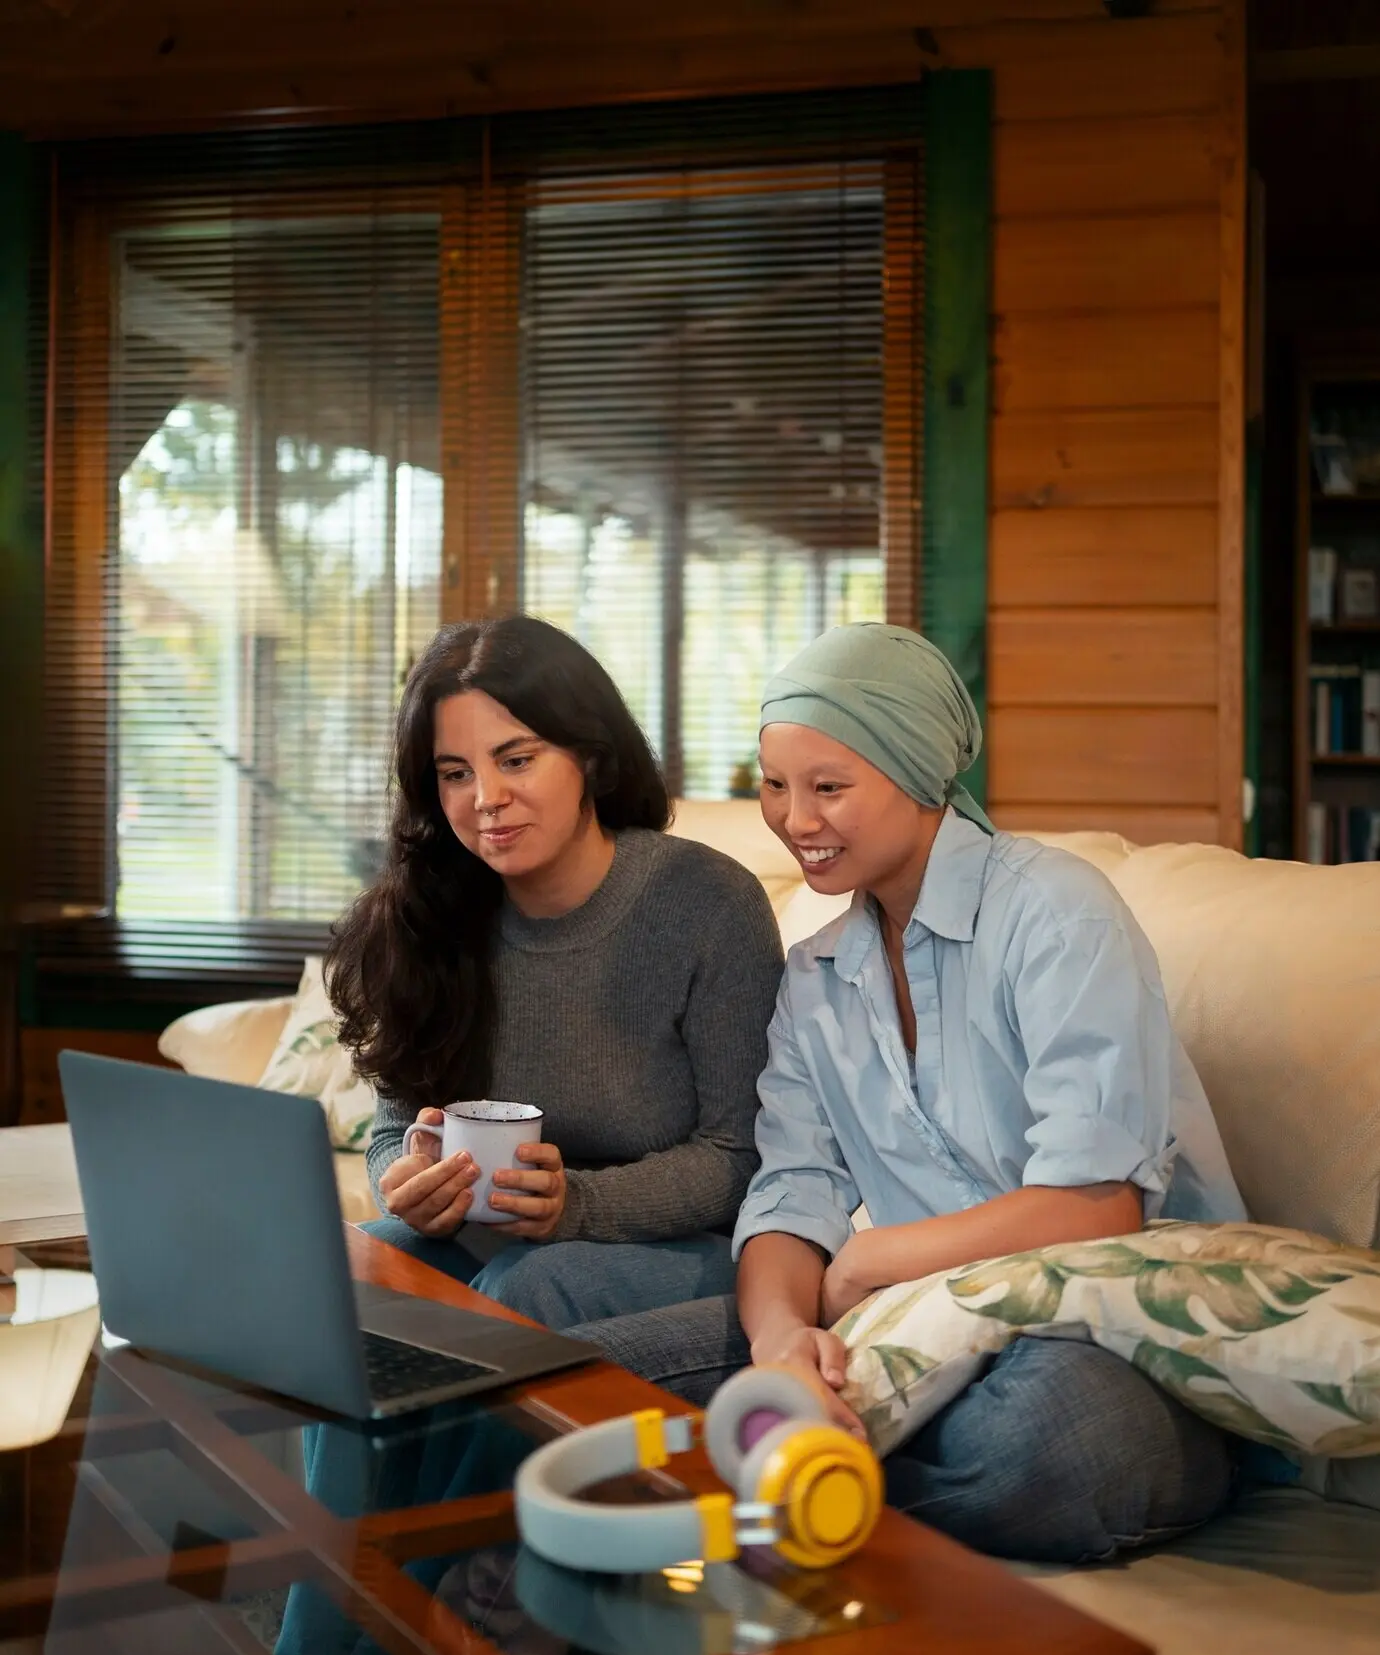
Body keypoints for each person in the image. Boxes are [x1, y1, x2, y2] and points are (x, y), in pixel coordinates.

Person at [567, 622, 1250, 1565]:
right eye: (775, 785)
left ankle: (775, 1489)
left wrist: (871, 1262)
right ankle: (797, 1470)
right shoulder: (815, 976)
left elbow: (1098, 1206)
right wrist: (783, 1344)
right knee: (580, 1374)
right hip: (917, 1334)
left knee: (1048, 1439)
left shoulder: (1055, 911)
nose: (794, 819)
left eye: (829, 787)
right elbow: (791, 1190)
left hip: (1112, 1340)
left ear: (919, 773)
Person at [326, 615, 783, 1328]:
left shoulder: (709, 903)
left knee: (532, 1285)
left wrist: (577, 1203)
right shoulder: (426, 915)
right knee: (357, 1269)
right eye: (455, 773)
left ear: (590, 758)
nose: (485, 797)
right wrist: (408, 1187)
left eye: (516, 759)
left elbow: (741, 1155)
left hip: (693, 1249)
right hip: (502, 1243)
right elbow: (396, 1131)